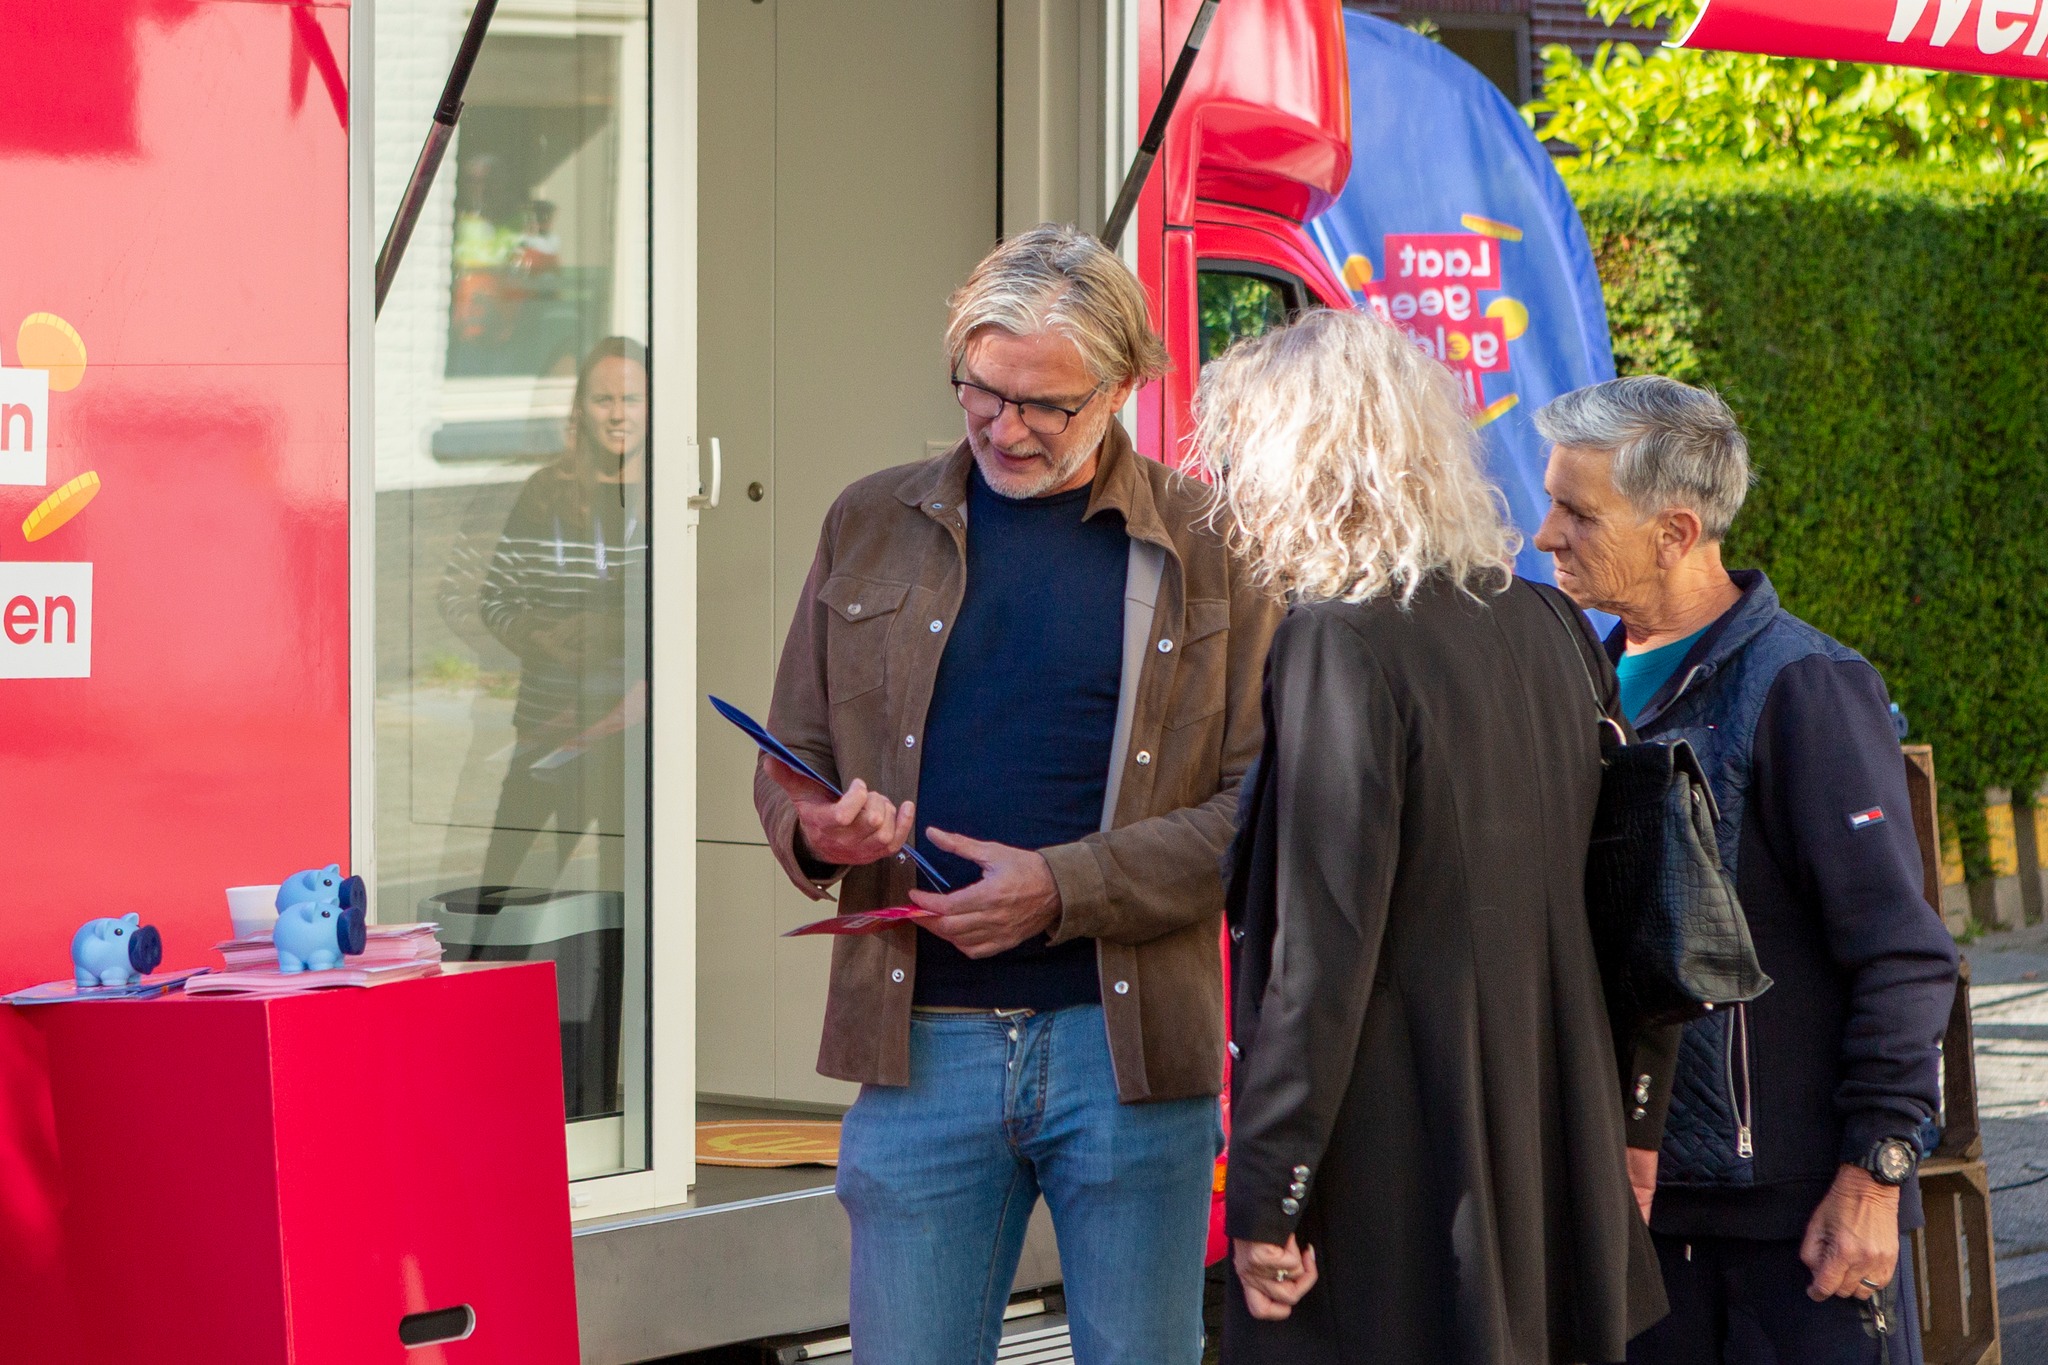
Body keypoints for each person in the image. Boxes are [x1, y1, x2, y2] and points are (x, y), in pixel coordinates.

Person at [753, 224, 1283, 1365]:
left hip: (1125, 1051)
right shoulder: (866, 520)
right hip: (918, 1046)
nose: (1004, 427)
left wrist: (1060, 887)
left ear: (1124, 387)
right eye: (982, 391)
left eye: (1046, 404)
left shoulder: (1214, 547)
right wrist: (820, 829)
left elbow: (1259, 810)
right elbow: (791, 750)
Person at [1203, 308, 1665, 1364]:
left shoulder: (1337, 641)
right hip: (1550, 1153)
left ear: (1295, 466)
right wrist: (1634, 1122)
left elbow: (1318, 953)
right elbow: (1641, 894)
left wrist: (1269, 1194)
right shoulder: (1549, 625)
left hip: (1400, 1178)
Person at [1532, 376, 1961, 1365]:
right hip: (1636, 1228)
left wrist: (1874, 1171)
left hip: (1799, 1234)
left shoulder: (1803, 687)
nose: (1546, 533)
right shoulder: (1566, 689)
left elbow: (1901, 954)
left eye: (1577, 512)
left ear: (1676, 533)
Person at [477, 337, 648, 903]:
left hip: (633, 743)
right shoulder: (546, 493)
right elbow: (496, 598)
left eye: (631, 399)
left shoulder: (672, 499)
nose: (618, 414)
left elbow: (698, 622)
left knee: (623, 918)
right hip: (547, 731)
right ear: (580, 410)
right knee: (501, 907)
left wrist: (616, 633)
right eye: (603, 399)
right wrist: (540, 638)